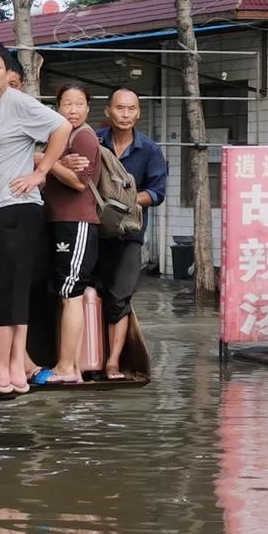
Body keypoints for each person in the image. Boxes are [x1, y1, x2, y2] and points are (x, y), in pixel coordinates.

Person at [0, 44, 70, 394]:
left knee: (8, 291)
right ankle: (14, 373)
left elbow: (62, 127)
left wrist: (41, 172)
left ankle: (0, 370)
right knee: (5, 291)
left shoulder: (18, 102)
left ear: (8, 73)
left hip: (17, 207)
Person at [71, 87, 168, 380]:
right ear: (108, 111)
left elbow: (157, 192)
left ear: (138, 113)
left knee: (119, 298)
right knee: (83, 292)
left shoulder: (150, 150)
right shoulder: (92, 140)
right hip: (91, 230)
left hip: (129, 236)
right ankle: (83, 359)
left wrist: (122, 201)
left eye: (131, 109)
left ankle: (112, 362)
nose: (125, 114)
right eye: (120, 108)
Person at [33, 83, 102, 385]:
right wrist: (56, 161)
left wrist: (45, 162)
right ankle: (68, 366)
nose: (72, 110)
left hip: (78, 222)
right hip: (60, 221)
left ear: (88, 108)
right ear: (57, 107)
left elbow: (79, 183)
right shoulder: (62, 136)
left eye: (78, 104)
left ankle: (67, 368)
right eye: (66, 104)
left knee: (71, 294)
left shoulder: (84, 136)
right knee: (64, 293)